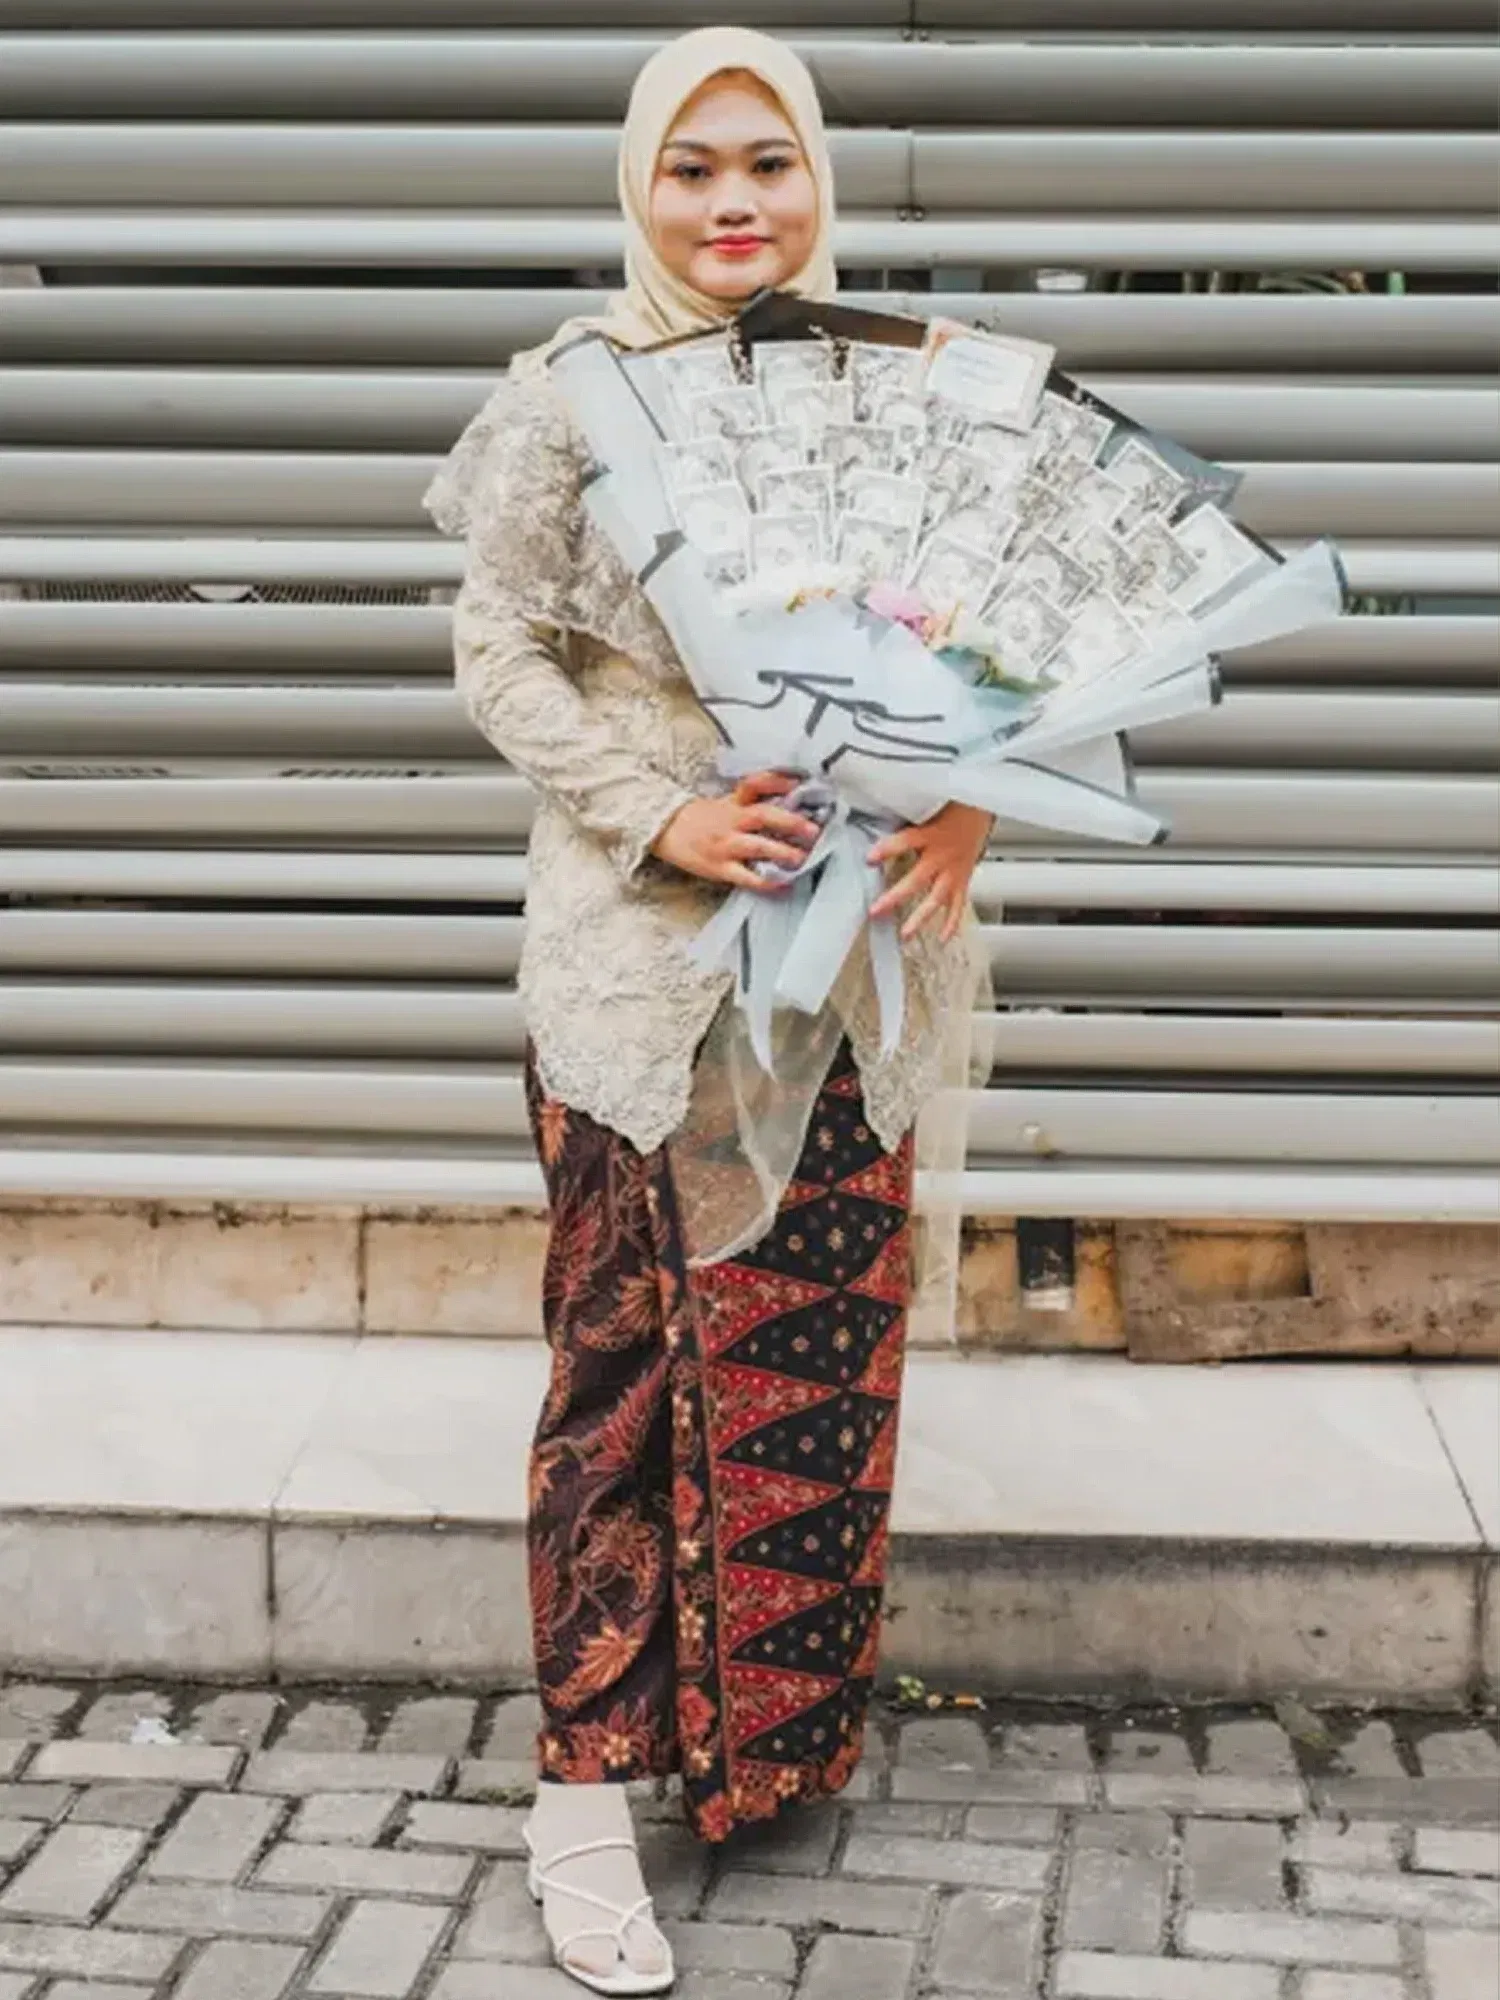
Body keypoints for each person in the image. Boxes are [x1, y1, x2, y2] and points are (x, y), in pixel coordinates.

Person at [424, 27, 991, 1996]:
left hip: (848, 969)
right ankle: (584, 1798)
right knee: (622, 1372)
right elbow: (498, 655)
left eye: (770, 163)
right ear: (639, 190)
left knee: (811, 1359)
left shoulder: (898, 392)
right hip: (639, 969)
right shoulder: (570, 401)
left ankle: (764, 1750)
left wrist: (979, 802)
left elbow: (993, 644)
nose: (737, 201)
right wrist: (664, 803)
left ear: (817, 180)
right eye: (695, 168)